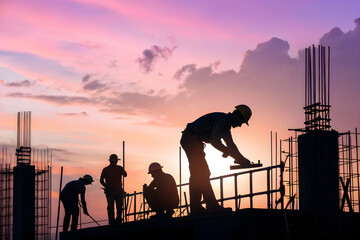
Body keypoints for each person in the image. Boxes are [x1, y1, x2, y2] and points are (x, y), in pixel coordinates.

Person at [180, 104, 252, 215]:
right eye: (241, 122)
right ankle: (208, 206)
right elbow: (215, 142)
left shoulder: (226, 126)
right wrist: (230, 153)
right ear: (237, 116)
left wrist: (242, 159)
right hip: (191, 139)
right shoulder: (222, 121)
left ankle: (200, 207)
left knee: (200, 173)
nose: (240, 125)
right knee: (201, 172)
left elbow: (230, 144)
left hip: (194, 140)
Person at [100, 154, 127, 225]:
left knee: (119, 206)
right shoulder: (106, 169)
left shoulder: (119, 168)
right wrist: (106, 187)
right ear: (111, 161)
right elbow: (101, 180)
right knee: (111, 207)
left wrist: (123, 171)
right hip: (110, 191)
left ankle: (118, 219)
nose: (115, 162)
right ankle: (111, 221)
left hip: (119, 191)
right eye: (114, 161)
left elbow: (125, 175)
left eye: (116, 161)